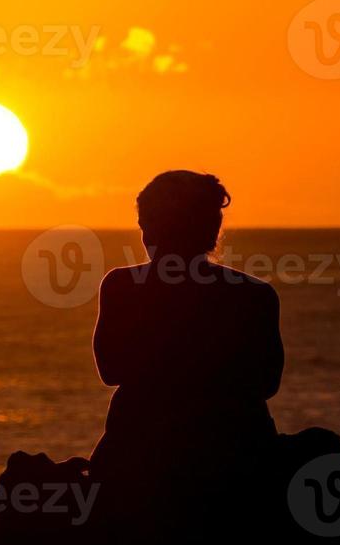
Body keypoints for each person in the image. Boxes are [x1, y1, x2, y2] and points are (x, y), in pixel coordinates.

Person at [90, 172, 284, 486]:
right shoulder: (254, 294)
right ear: (211, 228)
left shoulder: (122, 286)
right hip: (237, 457)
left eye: (147, 223)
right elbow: (267, 383)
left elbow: (110, 370)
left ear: (151, 228)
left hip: (140, 455)